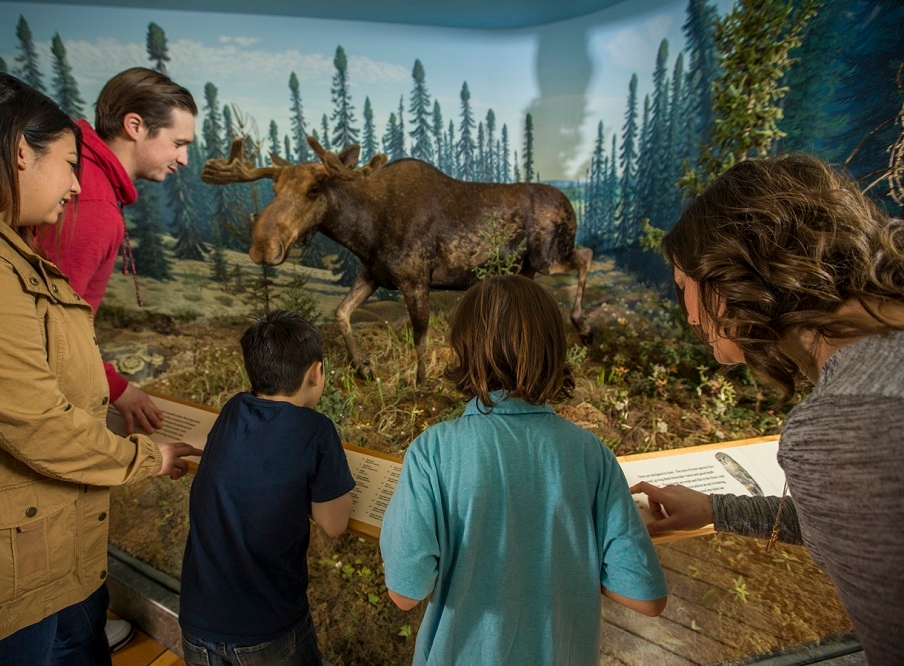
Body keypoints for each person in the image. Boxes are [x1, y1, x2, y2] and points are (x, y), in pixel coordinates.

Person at [0, 71, 200, 666]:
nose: (73, 183)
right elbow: (33, 408)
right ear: (19, 152)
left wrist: (112, 389)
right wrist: (145, 454)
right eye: (67, 163)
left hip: (10, 543)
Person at [630, 153, 904, 665]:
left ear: (726, 280)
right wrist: (718, 510)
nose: (690, 316)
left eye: (684, 288)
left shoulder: (841, 429)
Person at [380, 275, 668, 665]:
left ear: (463, 349)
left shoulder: (433, 452)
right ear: (553, 350)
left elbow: (404, 593)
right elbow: (645, 597)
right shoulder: (592, 455)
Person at [178, 310, 356, 666]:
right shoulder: (316, 430)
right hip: (266, 629)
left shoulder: (232, 410)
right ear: (315, 372)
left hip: (198, 622)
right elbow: (334, 524)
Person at [37, 67, 197, 437]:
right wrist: (117, 387)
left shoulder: (86, 172)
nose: (184, 158)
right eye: (178, 143)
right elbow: (50, 329)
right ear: (135, 126)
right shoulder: (92, 204)